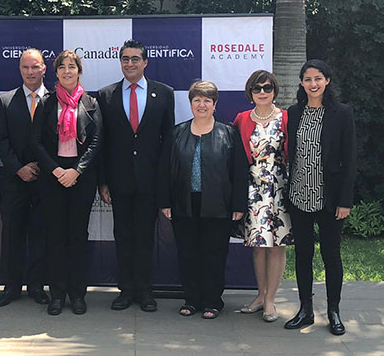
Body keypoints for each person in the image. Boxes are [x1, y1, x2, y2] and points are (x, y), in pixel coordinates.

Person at [159, 80, 248, 319]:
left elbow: (239, 172)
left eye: (207, 100)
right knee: (187, 253)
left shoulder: (228, 133)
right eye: (197, 100)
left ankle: (212, 301)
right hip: (183, 204)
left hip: (218, 205)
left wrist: (239, 205)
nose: (202, 104)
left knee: (214, 254)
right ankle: (191, 299)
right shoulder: (177, 133)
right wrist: (165, 202)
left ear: (215, 105)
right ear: (190, 104)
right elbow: (165, 170)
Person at [97, 39, 174, 312]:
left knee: (145, 237)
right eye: (125, 59)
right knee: (124, 236)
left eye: (135, 59)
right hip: (119, 182)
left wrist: (164, 182)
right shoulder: (105, 95)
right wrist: (103, 181)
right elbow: (101, 143)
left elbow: (168, 143)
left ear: (145, 62)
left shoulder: (163, 93)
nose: (130, 63)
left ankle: (145, 291)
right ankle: (125, 290)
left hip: (150, 182)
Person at [284, 60, 356, 336]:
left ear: (327, 80)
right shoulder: (294, 112)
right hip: (299, 194)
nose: (313, 84)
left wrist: (345, 201)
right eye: (307, 79)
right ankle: (305, 310)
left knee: (331, 255)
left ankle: (334, 311)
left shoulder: (341, 113)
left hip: (329, 198)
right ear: (301, 83)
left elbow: (349, 160)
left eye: (318, 78)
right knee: (303, 254)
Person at [33, 50, 102, 315]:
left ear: (79, 72)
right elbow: (36, 142)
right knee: (56, 238)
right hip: (53, 179)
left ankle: (78, 294)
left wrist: (77, 170)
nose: (67, 71)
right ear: (56, 73)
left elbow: (97, 141)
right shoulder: (47, 103)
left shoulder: (91, 103)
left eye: (72, 67)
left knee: (77, 237)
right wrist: (56, 170)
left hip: (81, 179)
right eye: (62, 67)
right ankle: (57, 295)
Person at [233, 70, 292, 323]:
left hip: (280, 188)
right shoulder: (242, 119)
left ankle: (271, 300)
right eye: (257, 88)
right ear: (250, 92)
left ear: (274, 90)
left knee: (277, 245)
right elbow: (236, 158)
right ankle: (259, 296)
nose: (262, 92)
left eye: (267, 88)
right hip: (253, 190)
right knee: (258, 246)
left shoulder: (287, 118)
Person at [0, 49, 48, 308]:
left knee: (40, 235)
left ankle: (37, 286)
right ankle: (11, 287)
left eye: (35, 67)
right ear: (19, 70)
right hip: (14, 181)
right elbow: (0, 140)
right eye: (25, 67)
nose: (30, 72)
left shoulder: (57, 100)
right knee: (12, 236)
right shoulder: (4, 101)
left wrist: (42, 166)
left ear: (44, 68)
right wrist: (19, 168)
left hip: (46, 180)